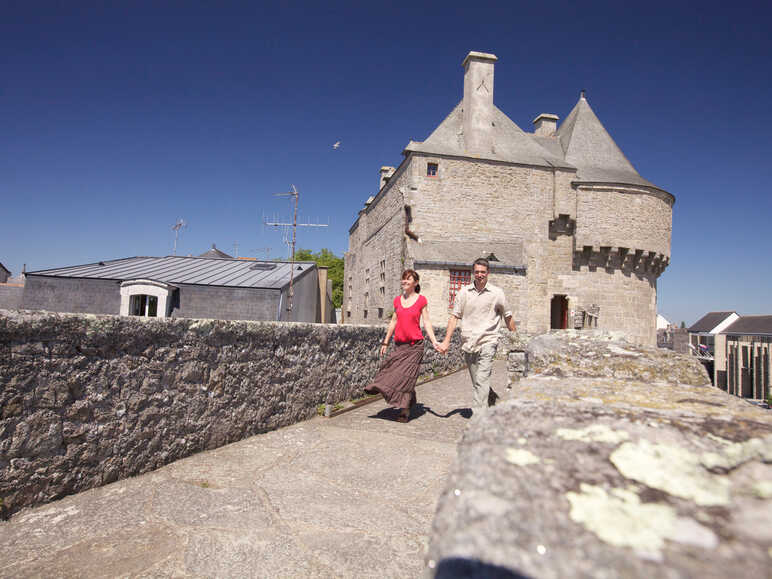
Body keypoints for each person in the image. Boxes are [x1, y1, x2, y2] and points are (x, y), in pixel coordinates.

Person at [438, 257, 516, 409]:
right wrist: (446, 341)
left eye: (483, 272)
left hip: (489, 340)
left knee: (481, 379)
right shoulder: (464, 292)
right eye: (477, 272)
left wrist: (516, 339)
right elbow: (454, 317)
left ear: (488, 273)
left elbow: (508, 316)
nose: (480, 275)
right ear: (473, 273)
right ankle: (490, 396)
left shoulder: (497, 293)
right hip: (469, 342)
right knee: (478, 381)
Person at [364, 269, 441, 422]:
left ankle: (404, 411)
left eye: (408, 279)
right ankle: (380, 387)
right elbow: (393, 321)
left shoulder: (421, 300)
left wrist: (434, 341)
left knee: (407, 378)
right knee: (389, 370)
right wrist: (385, 341)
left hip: (415, 347)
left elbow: (426, 322)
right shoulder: (397, 300)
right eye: (403, 279)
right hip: (399, 345)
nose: (404, 281)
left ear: (416, 283)